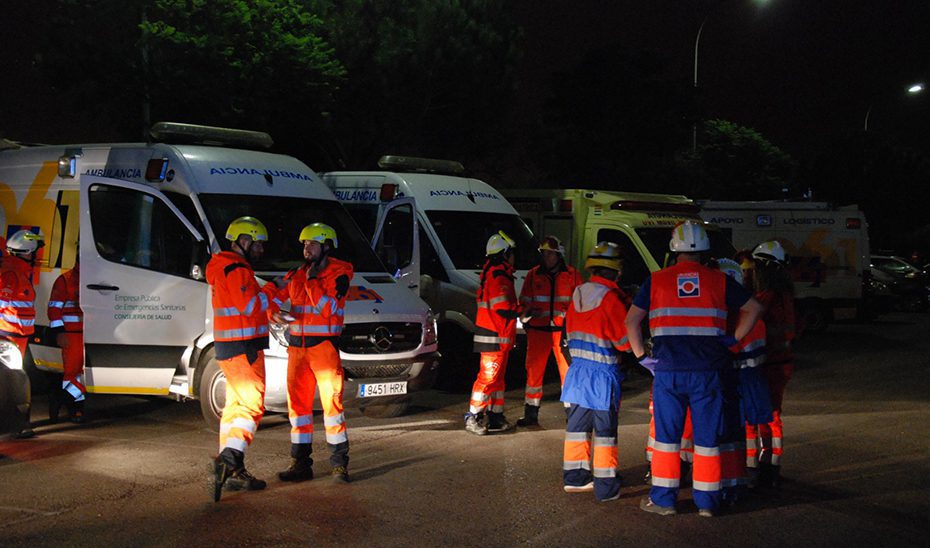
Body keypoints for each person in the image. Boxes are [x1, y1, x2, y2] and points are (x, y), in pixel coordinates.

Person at [625, 221, 762, 517]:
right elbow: (754, 308)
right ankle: (707, 503)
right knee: (707, 440)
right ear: (704, 250)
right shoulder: (719, 280)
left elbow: (631, 321)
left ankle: (663, 501)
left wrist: (640, 358)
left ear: (674, 248)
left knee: (666, 439)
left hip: (668, 371)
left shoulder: (656, 280)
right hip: (708, 370)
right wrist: (732, 340)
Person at [273, 223, 354, 484]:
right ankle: (300, 463)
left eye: (312, 244)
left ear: (327, 246)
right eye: (304, 244)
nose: (307, 248)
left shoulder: (340, 272)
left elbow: (328, 308)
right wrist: (270, 311)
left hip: (323, 349)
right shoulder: (297, 273)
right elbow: (273, 291)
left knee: (332, 407)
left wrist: (311, 282)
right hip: (297, 349)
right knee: (298, 409)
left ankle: (339, 465)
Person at [206, 216, 278, 502]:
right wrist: (271, 290)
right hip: (243, 348)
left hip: (230, 347)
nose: (261, 250)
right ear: (244, 241)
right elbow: (249, 306)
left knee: (235, 408)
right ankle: (229, 460)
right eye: (258, 244)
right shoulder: (237, 269)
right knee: (251, 405)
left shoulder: (224, 266)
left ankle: (234, 472)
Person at [561, 242, 630, 502]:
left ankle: (575, 479)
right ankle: (606, 486)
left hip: (577, 371)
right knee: (605, 433)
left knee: (577, 427)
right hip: (603, 373)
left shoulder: (578, 292)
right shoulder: (611, 298)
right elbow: (624, 342)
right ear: (614, 270)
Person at [517, 235, 582, 427]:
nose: (546, 257)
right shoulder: (533, 274)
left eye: (550, 254)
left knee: (567, 372)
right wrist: (527, 315)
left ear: (558, 254)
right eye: (544, 253)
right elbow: (524, 303)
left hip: (563, 332)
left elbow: (580, 304)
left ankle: (572, 414)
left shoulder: (572, 275)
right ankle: (531, 412)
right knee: (534, 372)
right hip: (538, 331)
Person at [747, 240, 796, 489]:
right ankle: (770, 465)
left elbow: (749, 318)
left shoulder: (767, 296)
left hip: (770, 364)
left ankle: (767, 469)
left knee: (767, 417)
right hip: (780, 363)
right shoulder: (784, 294)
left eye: (755, 266)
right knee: (770, 416)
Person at [465, 231, 520, 435]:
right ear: (505, 253)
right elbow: (503, 307)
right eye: (512, 253)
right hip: (494, 336)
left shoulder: (494, 272)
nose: (514, 257)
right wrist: (522, 309)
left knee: (497, 380)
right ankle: (473, 417)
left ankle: (496, 416)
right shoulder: (499, 274)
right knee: (488, 379)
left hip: (497, 336)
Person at [2, 230, 44, 439]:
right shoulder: (12, 274)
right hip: (9, 337)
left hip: (17, 336)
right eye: (34, 252)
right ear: (26, 252)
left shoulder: (17, 271)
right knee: (13, 381)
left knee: (18, 379)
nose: (37, 255)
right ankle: (18, 424)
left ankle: (20, 423)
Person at [47, 254, 85, 423]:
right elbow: (54, 309)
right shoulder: (65, 280)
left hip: (89, 335)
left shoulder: (96, 278)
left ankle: (62, 399)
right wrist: (60, 332)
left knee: (84, 373)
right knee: (72, 373)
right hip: (71, 335)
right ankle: (74, 408)